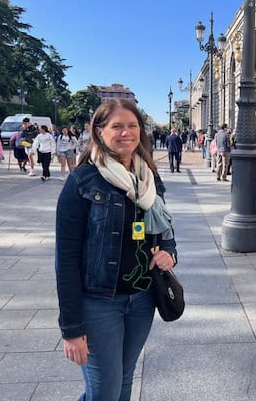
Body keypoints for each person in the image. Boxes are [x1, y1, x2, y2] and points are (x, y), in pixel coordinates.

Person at [55, 99, 177, 401]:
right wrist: (71, 328)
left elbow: (163, 228)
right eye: (117, 126)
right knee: (105, 393)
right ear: (99, 130)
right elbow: (66, 260)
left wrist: (170, 252)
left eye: (132, 125)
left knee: (123, 381)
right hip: (99, 303)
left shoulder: (148, 176)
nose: (126, 133)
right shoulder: (82, 181)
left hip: (143, 297)